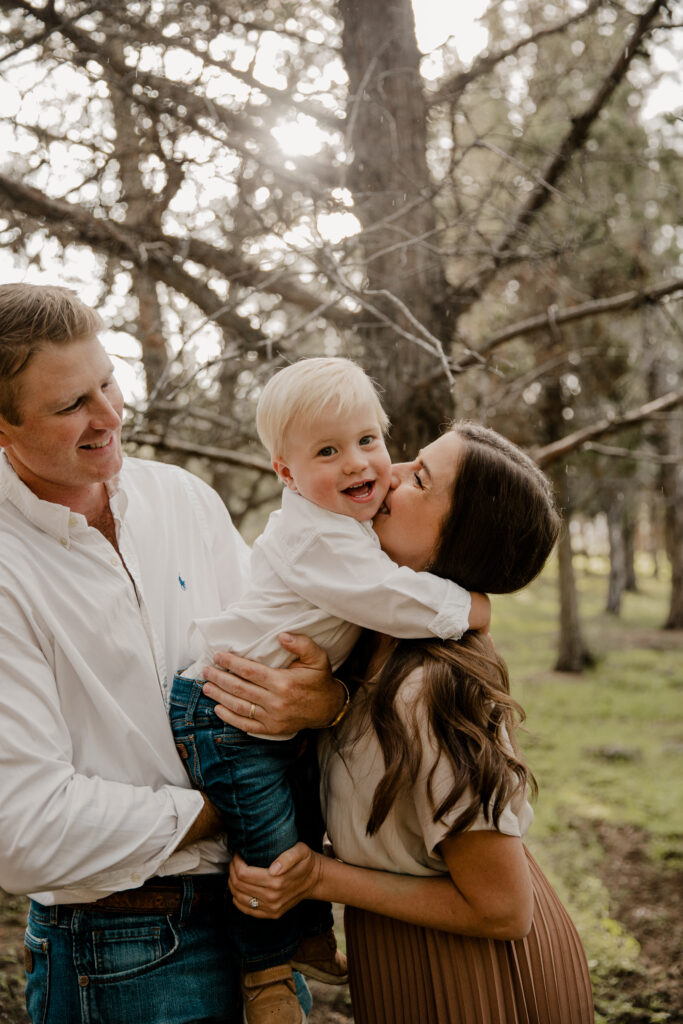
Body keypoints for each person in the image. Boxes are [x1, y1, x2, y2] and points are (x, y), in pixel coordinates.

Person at [0, 283, 345, 1024]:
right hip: (120, 947)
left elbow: (277, 658)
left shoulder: (183, 498)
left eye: (108, 382)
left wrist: (325, 700)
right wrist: (240, 802)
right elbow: (22, 830)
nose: (110, 417)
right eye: (70, 407)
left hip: (265, 915)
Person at [227, 423, 596, 1024]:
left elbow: (504, 908)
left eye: (419, 479)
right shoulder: (362, 636)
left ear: (457, 544)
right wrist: (331, 705)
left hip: (476, 974)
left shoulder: (435, 687)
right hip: (399, 955)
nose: (385, 473)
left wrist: (320, 877)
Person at [170, 358, 490, 1023]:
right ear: (285, 474)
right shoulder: (316, 538)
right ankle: (266, 979)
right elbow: (390, 597)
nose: (356, 463)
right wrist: (470, 608)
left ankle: (309, 932)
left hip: (271, 709)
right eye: (326, 451)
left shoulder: (346, 525)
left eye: (368, 441)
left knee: (307, 807)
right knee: (272, 845)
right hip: (225, 714)